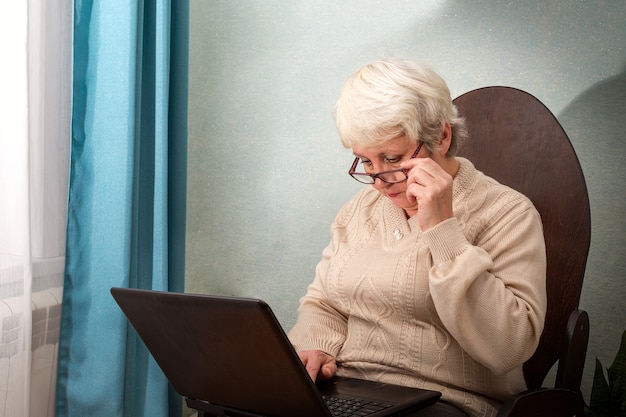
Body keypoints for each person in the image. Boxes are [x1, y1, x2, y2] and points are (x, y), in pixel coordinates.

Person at [287, 58, 547, 417]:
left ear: (441, 136)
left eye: (391, 158)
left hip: (447, 402)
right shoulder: (358, 209)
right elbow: (324, 301)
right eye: (365, 161)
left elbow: (509, 347)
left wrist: (443, 230)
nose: (378, 181)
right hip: (350, 392)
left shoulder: (507, 213)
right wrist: (316, 345)